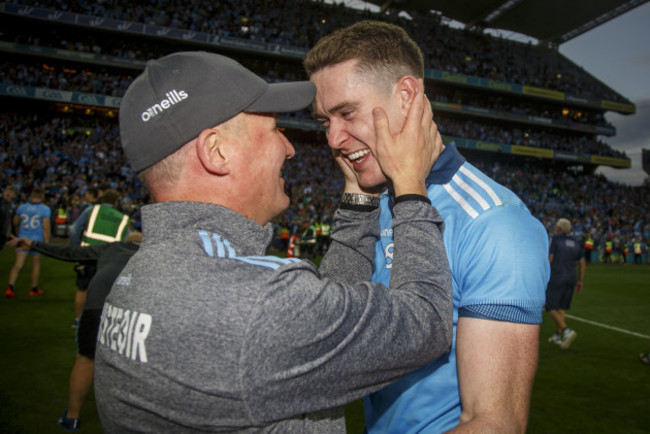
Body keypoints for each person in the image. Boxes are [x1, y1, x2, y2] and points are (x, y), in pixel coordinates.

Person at [93, 51, 454, 432]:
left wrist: (358, 200)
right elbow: (425, 322)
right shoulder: (254, 303)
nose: (289, 148)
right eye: (273, 130)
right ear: (216, 151)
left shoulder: (144, 272)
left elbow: (327, 316)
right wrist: (410, 186)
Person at [304, 20, 550, 433]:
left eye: (347, 113)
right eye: (324, 121)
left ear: (406, 95)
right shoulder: (377, 202)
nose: (333, 138)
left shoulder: (493, 223)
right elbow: (328, 332)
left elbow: (494, 424)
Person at [7, 232, 142, 432]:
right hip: (133, 312)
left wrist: (33, 243)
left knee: (86, 359)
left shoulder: (111, 248)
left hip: (97, 306)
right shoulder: (151, 251)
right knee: (134, 363)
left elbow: (69, 251)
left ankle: (72, 417)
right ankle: (132, 418)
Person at [67, 188, 130, 327]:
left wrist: (78, 248)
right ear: (116, 202)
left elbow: (73, 230)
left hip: (87, 255)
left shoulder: (92, 210)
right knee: (104, 291)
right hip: (108, 259)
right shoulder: (123, 218)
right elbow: (128, 239)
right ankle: (100, 322)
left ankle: (77, 320)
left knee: (82, 288)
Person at [546, 218, 585, 350]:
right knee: (561, 307)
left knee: (550, 306)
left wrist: (542, 274)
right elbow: (582, 262)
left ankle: (566, 331)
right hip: (571, 278)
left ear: (559, 228)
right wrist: (580, 280)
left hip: (557, 277)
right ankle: (557, 336)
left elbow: (549, 259)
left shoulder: (555, 239)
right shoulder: (575, 242)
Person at [6, 187, 51, 298]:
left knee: (18, 265)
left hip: (22, 239)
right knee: (36, 265)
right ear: (42, 197)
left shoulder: (22, 207)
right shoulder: (45, 209)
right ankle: (34, 289)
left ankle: (10, 288)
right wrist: (47, 243)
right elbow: (46, 227)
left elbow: (15, 222)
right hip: (37, 241)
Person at [0, 185, 18, 250]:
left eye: (11, 192)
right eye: (7, 191)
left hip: (2, 234)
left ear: (14, 196)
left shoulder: (12, 207)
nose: (8, 193)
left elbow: (13, 223)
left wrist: (15, 236)